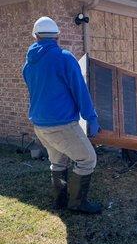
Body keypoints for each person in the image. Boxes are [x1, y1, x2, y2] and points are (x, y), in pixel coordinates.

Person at [22, 16, 102, 214]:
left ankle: (60, 200)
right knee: (87, 159)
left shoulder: (28, 65)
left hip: (40, 125)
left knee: (57, 161)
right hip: (61, 125)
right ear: (57, 36)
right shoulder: (65, 58)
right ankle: (77, 203)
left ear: (36, 37)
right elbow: (80, 90)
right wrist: (91, 118)